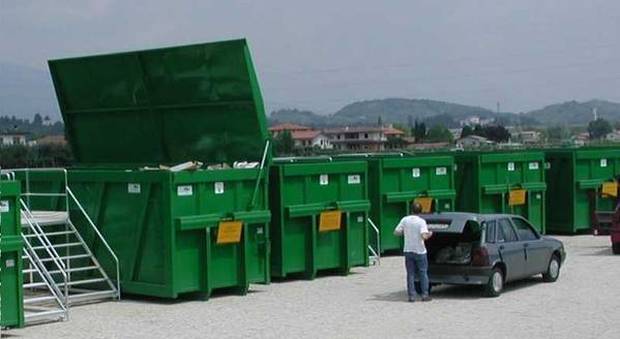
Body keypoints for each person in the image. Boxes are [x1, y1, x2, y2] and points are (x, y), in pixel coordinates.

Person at [394, 202, 433, 302]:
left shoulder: (405, 220)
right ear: (421, 211)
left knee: (410, 274)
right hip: (420, 251)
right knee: (423, 273)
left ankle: (411, 296)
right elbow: (423, 236)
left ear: (411, 210)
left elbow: (396, 232)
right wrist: (430, 234)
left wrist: (406, 232)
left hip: (408, 250)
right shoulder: (421, 222)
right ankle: (425, 295)